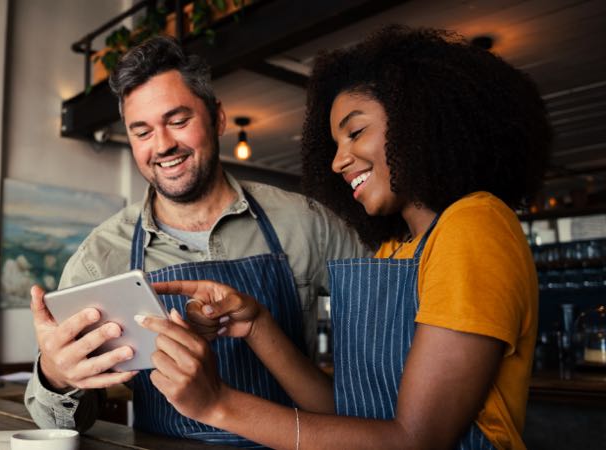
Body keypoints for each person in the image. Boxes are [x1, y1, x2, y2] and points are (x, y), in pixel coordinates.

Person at [137, 26, 551, 449]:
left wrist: (217, 405)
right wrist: (258, 325)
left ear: (419, 120)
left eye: (355, 133)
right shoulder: (398, 249)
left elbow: (415, 439)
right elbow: (347, 418)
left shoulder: (474, 226)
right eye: (335, 143)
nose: (338, 161)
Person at [24, 35, 367, 447]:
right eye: (142, 131)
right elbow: (62, 427)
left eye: (178, 120)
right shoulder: (101, 256)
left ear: (217, 118)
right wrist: (56, 376)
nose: (163, 145)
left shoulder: (307, 223)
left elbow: (387, 347)